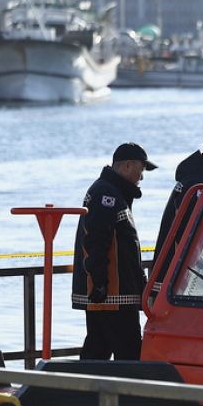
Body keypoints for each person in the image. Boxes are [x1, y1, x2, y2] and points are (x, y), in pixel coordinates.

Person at [72, 142, 156, 361]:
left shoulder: (111, 192)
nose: (141, 177)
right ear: (128, 166)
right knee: (127, 354)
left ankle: (83, 392)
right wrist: (99, 282)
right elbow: (96, 240)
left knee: (96, 352)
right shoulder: (106, 194)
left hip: (114, 296)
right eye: (141, 169)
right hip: (112, 296)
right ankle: (129, 394)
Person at [152, 150, 203, 273]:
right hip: (175, 277)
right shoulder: (196, 185)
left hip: (167, 270)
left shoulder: (190, 180)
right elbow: (185, 230)